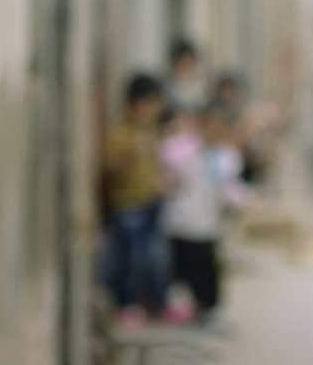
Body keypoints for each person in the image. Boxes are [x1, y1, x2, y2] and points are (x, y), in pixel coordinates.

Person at [161, 100, 253, 328]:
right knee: (183, 268)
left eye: (220, 125)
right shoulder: (185, 148)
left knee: (209, 268)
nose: (214, 129)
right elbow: (169, 160)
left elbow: (228, 188)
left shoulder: (226, 157)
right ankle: (187, 308)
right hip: (181, 221)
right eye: (209, 124)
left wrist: (246, 200)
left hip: (207, 224)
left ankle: (212, 308)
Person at [101, 72, 172, 329]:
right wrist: (132, 151)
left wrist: (162, 182)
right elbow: (109, 165)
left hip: (151, 202)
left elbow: (154, 166)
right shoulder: (120, 133)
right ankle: (125, 304)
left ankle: (156, 302)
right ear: (133, 105)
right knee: (129, 258)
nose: (155, 111)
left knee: (156, 256)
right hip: (129, 206)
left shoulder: (150, 133)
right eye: (150, 105)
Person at [166, 36, 206, 114]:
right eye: (182, 64)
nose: (186, 69)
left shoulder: (205, 90)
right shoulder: (165, 90)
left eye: (189, 64)